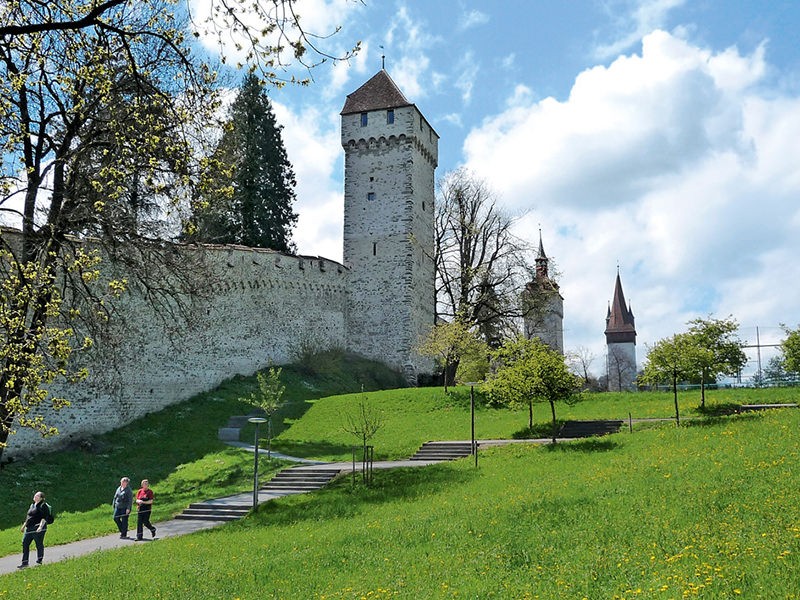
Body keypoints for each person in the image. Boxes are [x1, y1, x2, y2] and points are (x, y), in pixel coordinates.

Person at [18, 491, 51, 568]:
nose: (35, 496)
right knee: (25, 543)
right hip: (29, 528)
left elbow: (44, 517)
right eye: (35, 495)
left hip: (37, 528)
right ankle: (25, 563)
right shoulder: (32, 505)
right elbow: (28, 517)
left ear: (41, 498)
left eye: (37, 496)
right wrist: (23, 526)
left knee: (38, 544)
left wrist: (40, 527)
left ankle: (39, 560)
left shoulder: (43, 506)